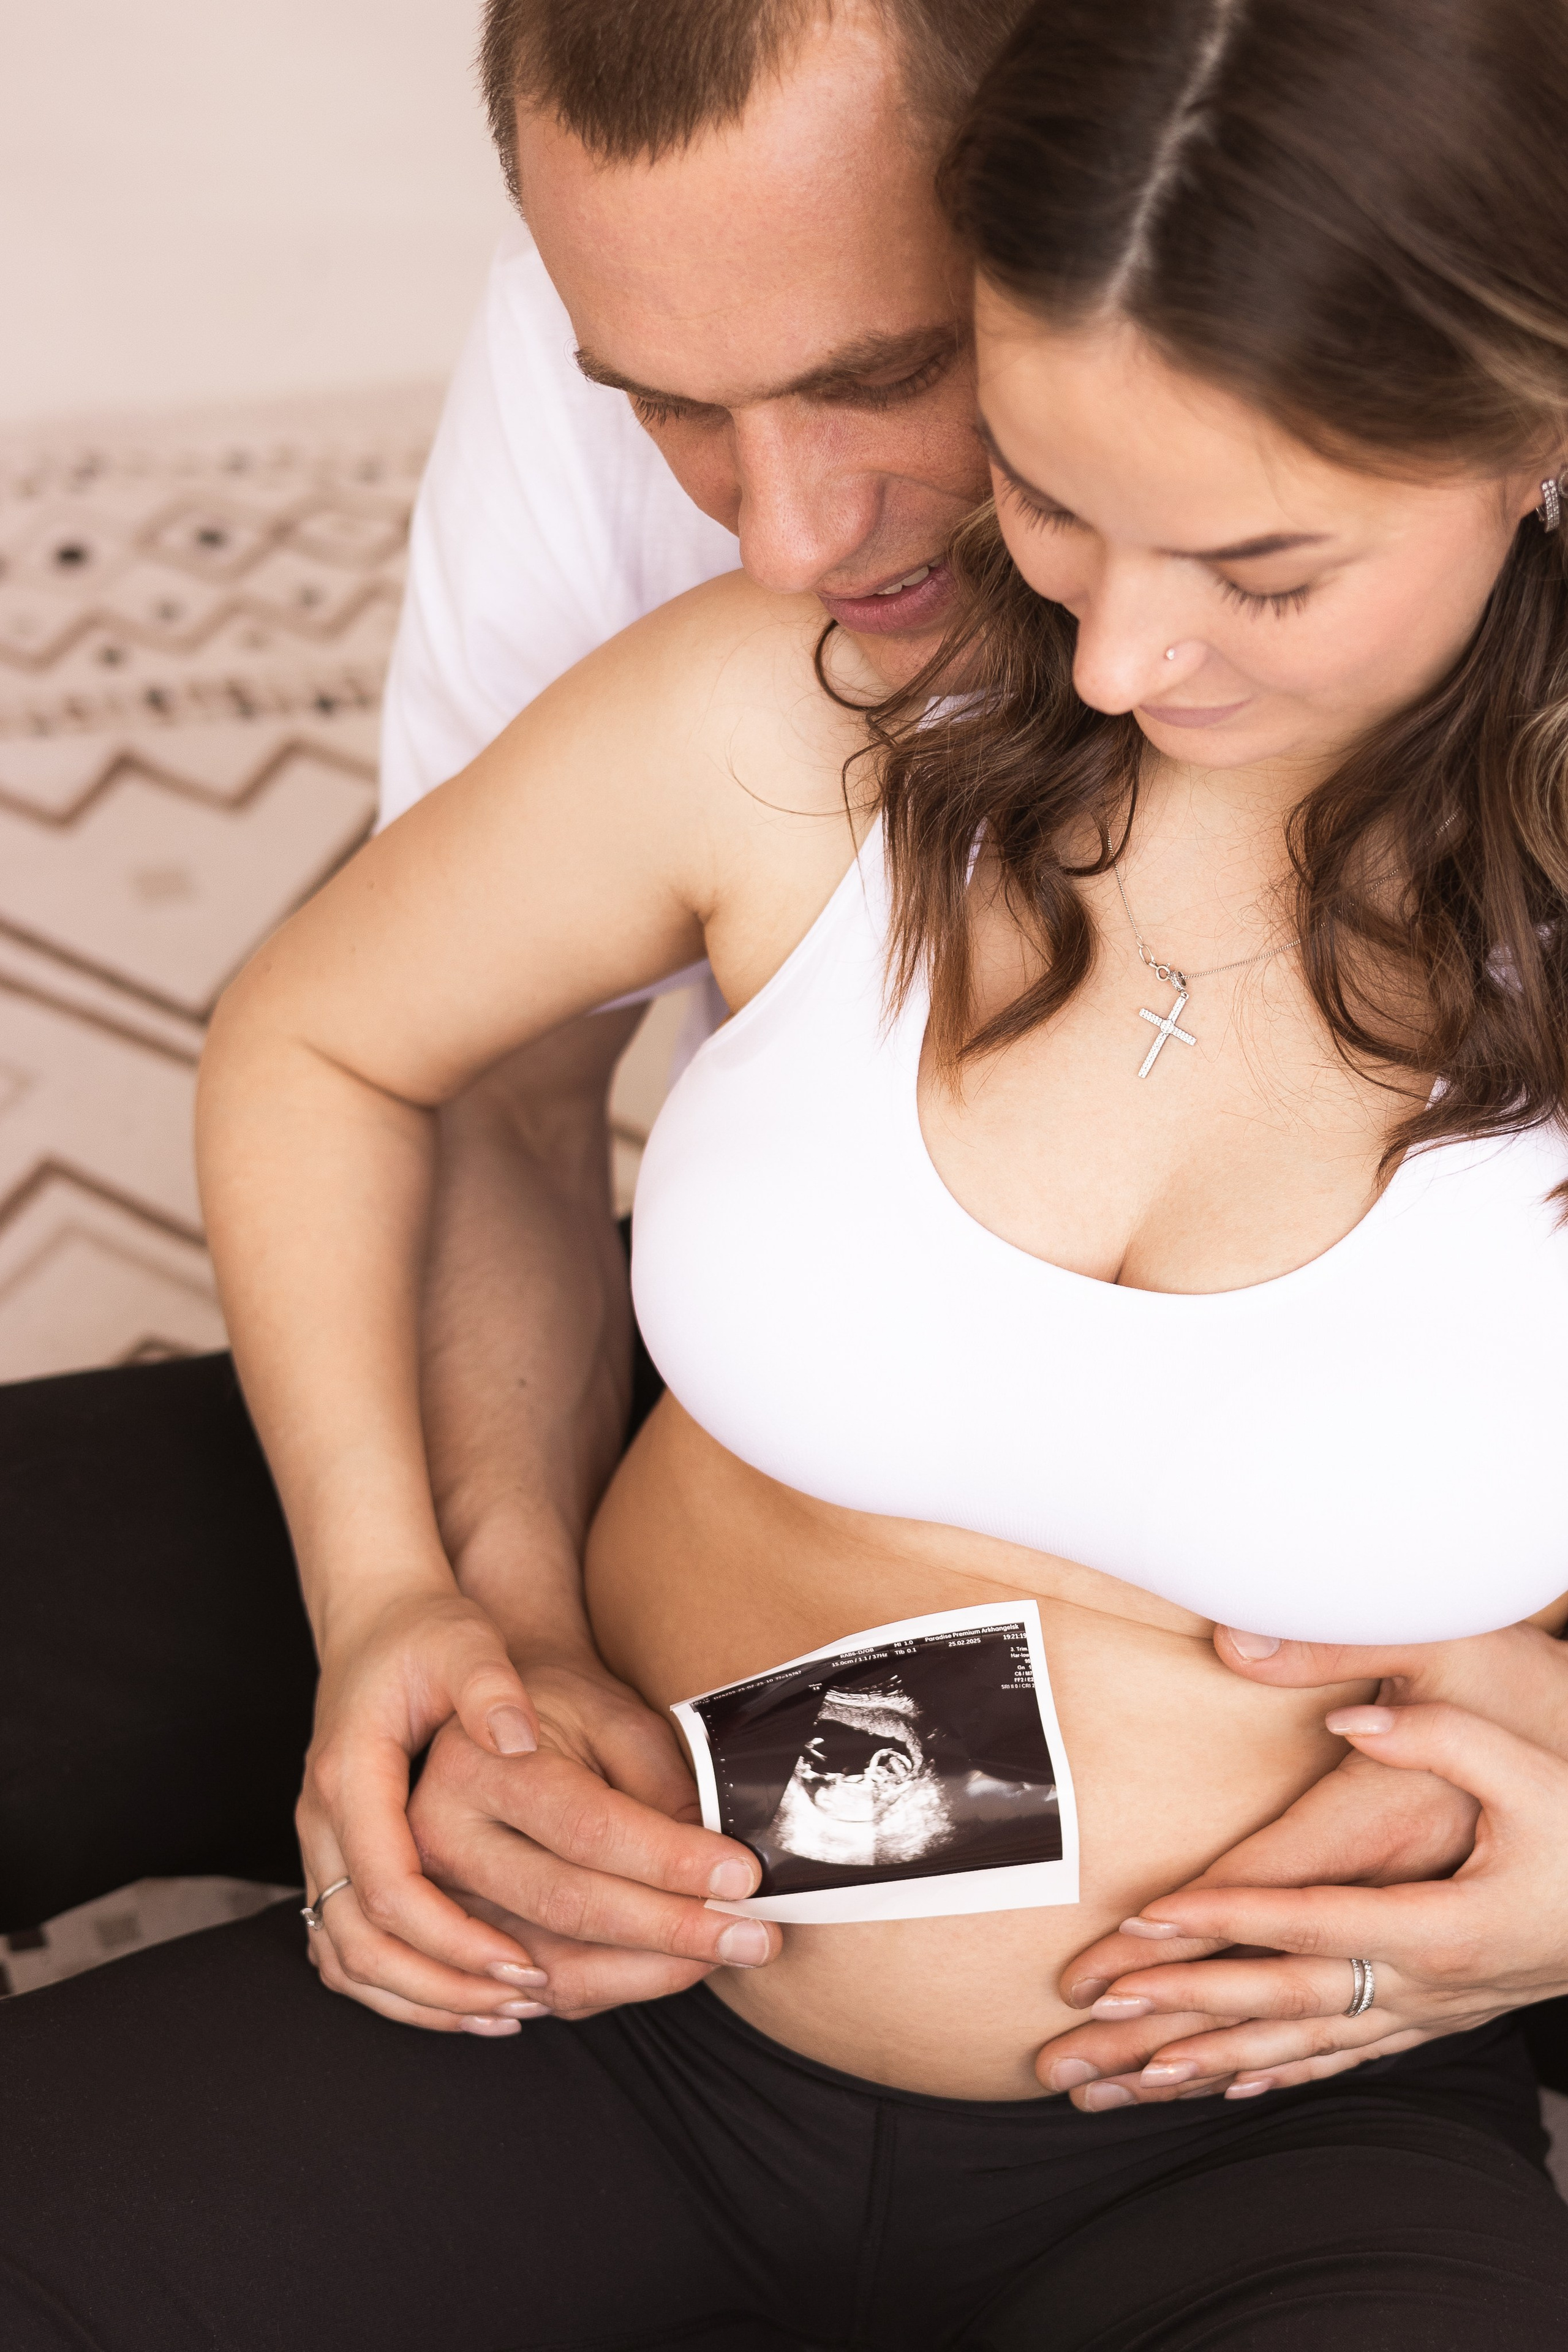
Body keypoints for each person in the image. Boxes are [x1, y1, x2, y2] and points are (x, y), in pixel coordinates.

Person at [7, 4, 1568, 2345]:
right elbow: (381, 1048)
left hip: (1273, 2128)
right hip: (609, 2008)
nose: (1124, 649)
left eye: (1251, 564)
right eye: (1047, 487)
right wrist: (428, 1610)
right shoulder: (804, 703)